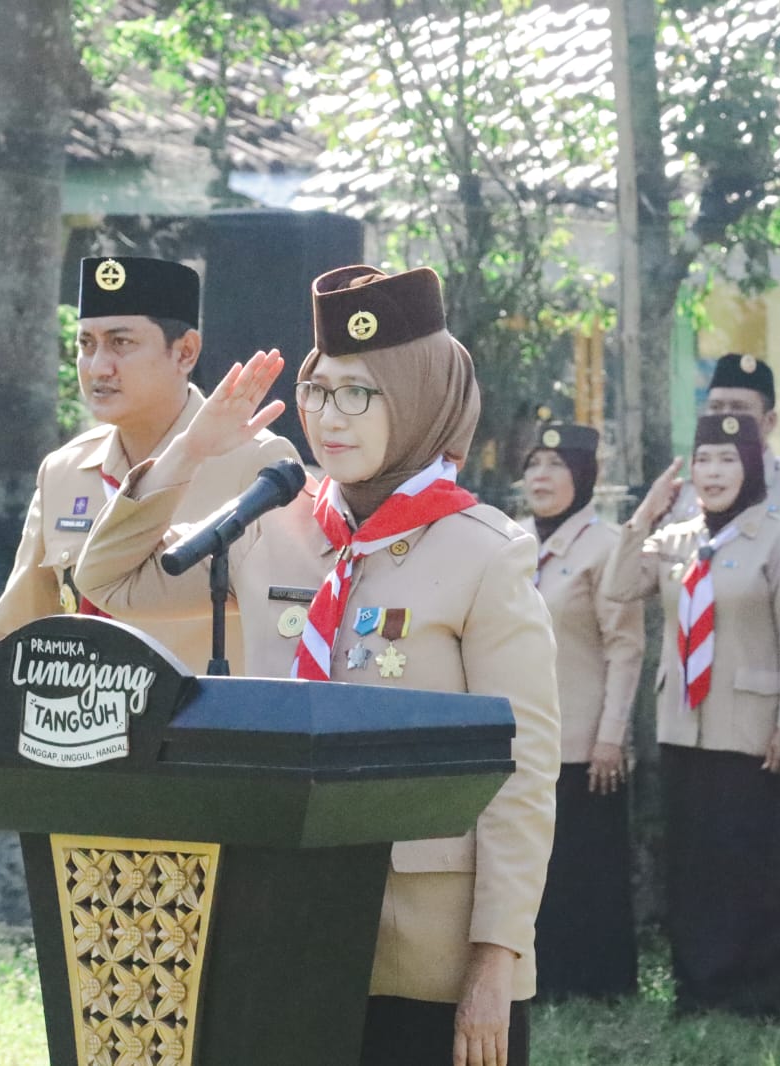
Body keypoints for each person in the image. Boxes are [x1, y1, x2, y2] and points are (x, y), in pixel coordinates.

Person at [73, 265, 560, 1066]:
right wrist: (187, 452)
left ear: (420, 398)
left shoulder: (484, 554)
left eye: (360, 393)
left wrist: (495, 959)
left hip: (424, 952)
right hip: (282, 925)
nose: (330, 418)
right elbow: (107, 581)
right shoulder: (271, 521)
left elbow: (523, 773)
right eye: (318, 391)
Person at [0, 256, 297, 897]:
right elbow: (14, 625)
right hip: (81, 775)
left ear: (185, 352)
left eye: (121, 343)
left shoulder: (258, 463)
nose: (97, 366)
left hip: (207, 785)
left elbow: (290, 635)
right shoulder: (65, 470)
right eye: (85, 344)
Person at [602, 414, 780, 1017]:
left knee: (753, 863)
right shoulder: (675, 539)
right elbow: (619, 585)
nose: (713, 472)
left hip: (752, 730)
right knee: (694, 863)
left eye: (727, 459)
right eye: (703, 460)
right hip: (684, 725)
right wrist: (646, 514)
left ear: (751, 467)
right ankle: (697, 984)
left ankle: (760, 990)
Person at [522, 422, 645, 1002]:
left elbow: (625, 647)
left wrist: (611, 736)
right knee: (527, 864)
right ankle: (535, 979)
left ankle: (596, 985)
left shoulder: (606, 546)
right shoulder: (512, 544)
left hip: (582, 739)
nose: (540, 477)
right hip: (520, 737)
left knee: (584, 865)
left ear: (584, 476)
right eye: (533, 464)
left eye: (556, 465)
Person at [672, 353, 780, 734]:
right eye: (716, 407)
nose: (725, 418)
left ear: (769, 422)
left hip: (769, 706)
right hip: (689, 709)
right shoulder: (683, 499)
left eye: (739, 409)